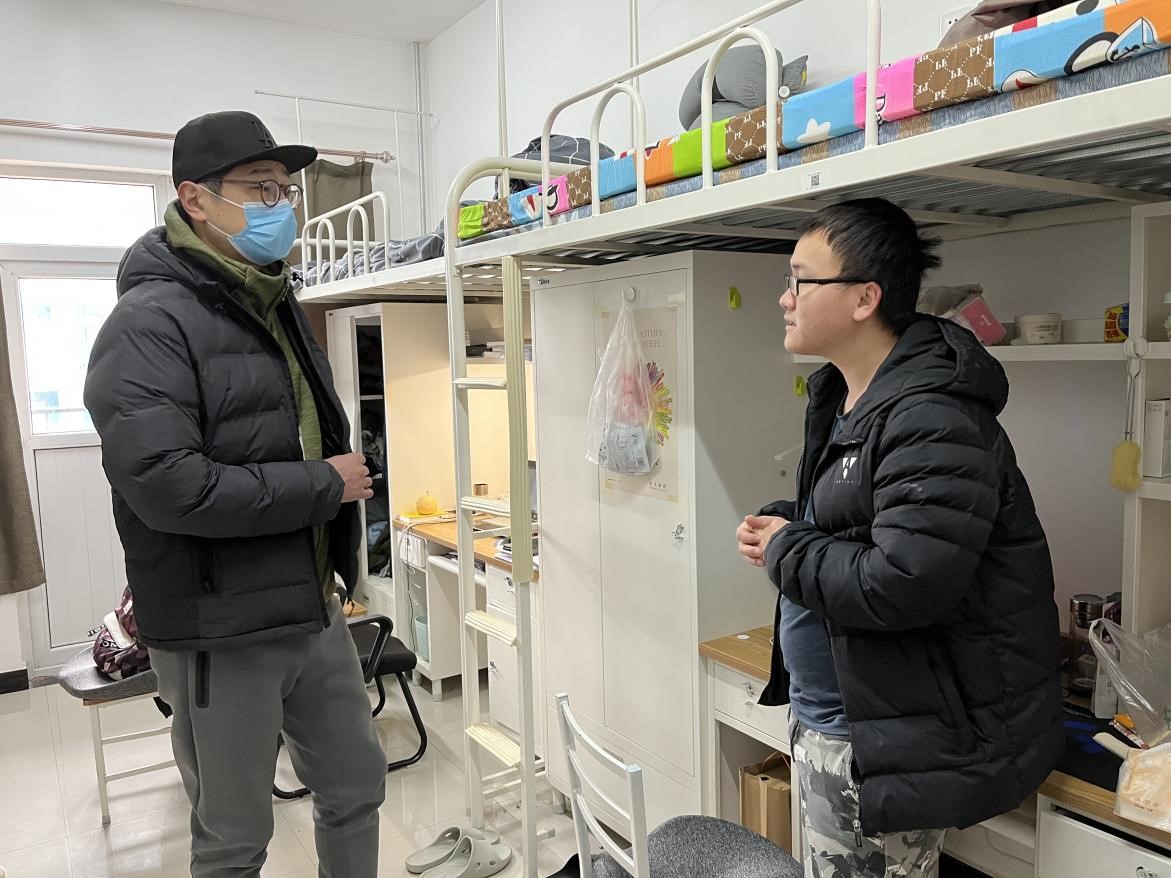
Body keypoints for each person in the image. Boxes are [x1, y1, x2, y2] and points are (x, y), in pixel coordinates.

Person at [84, 111, 387, 877]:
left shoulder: (273, 303)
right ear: (195, 199)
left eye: (286, 190)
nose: (281, 206)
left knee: (357, 787)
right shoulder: (147, 323)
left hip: (313, 605)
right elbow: (168, 486)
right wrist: (324, 484)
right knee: (233, 837)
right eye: (260, 189)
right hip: (219, 627)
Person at [735, 198, 1063, 877]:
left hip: (880, 735)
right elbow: (864, 519)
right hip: (844, 714)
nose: (784, 298)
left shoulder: (930, 415)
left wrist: (788, 547)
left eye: (801, 280)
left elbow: (903, 583)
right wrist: (791, 521)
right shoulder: (846, 394)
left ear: (865, 297)